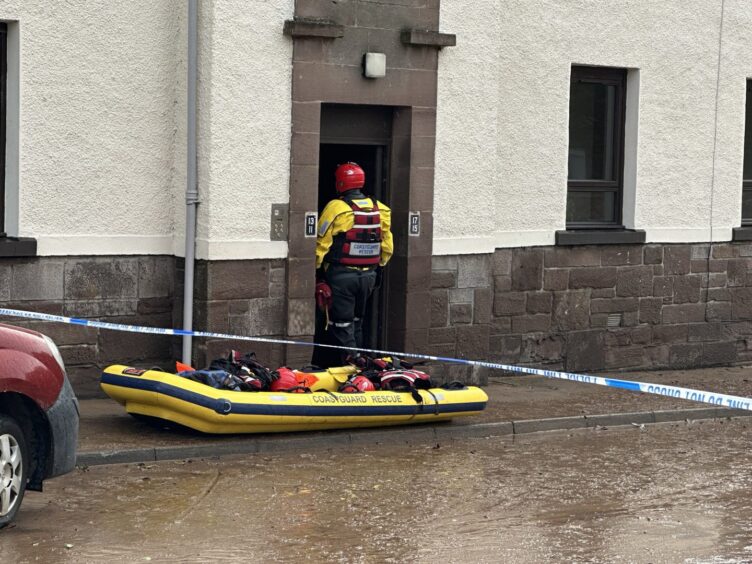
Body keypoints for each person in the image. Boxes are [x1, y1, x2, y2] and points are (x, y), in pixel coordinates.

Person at [313, 162, 393, 367]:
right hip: (369, 277)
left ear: (340, 182)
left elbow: (321, 242)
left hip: (341, 276)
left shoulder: (336, 208)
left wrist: (315, 271)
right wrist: (377, 266)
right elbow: (387, 246)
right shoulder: (381, 209)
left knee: (340, 323)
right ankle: (359, 358)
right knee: (357, 320)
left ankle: (352, 361)